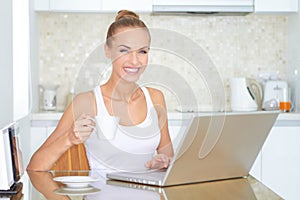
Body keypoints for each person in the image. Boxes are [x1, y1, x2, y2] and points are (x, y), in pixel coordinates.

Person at [27, 10, 174, 175]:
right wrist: (69, 139)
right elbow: (35, 165)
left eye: (142, 51)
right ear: (108, 51)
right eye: (124, 50)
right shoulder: (86, 102)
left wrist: (163, 161)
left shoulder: (155, 98)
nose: (135, 60)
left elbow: (167, 153)